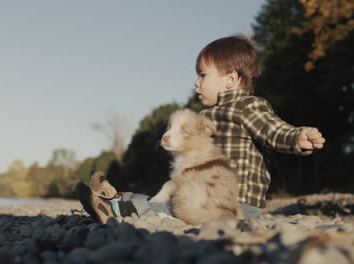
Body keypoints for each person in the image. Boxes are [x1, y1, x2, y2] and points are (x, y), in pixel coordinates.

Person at [76, 35, 326, 224]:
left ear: (229, 80)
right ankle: (114, 197)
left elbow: (274, 130)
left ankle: (115, 211)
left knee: (167, 210)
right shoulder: (204, 117)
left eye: (203, 75)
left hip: (235, 202)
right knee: (160, 199)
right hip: (197, 193)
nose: (196, 82)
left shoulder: (248, 106)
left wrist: (297, 137)